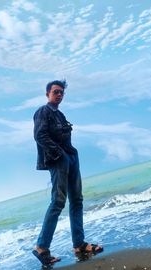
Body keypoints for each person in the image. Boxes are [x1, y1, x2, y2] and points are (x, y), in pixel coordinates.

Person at [32, 80, 103, 266]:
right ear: (47, 93)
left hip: (71, 158)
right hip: (59, 160)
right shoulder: (43, 111)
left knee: (77, 200)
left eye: (62, 92)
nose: (59, 95)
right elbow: (39, 136)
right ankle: (41, 247)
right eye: (56, 91)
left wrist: (69, 155)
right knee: (58, 202)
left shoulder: (60, 115)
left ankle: (79, 244)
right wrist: (59, 154)